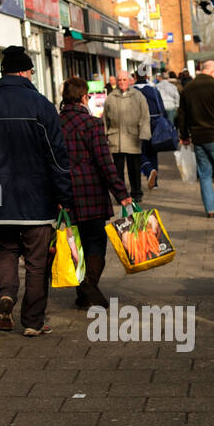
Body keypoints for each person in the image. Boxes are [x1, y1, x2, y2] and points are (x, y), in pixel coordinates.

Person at [0, 46, 72, 337]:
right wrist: (64, 196)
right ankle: (33, 321)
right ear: (24, 71)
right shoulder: (42, 106)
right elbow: (57, 156)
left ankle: (6, 293)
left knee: (7, 249)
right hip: (36, 197)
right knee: (37, 262)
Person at [58, 77, 133, 310]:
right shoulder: (91, 123)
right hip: (90, 190)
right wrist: (121, 192)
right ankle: (88, 284)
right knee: (95, 241)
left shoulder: (54, 124)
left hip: (65, 191)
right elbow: (104, 162)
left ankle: (83, 294)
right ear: (84, 97)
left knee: (75, 242)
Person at [177, 60, 214, 217]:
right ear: (212, 72)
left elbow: (181, 116)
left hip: (198, 138)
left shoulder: (187, 88)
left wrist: (184, 136)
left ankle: (210, 209)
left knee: (205, 174)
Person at [102, 69, 150, 203]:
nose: (122, 82)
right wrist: (103, 136)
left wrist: (144, 135)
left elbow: (145, 117)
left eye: (124, 80)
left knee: (134, 168)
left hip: (133, 137)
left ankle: (136, 192)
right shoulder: (111, 98)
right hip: (115, 139)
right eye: (119, 80)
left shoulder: (138, 96)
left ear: (130, 81)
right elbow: (105, 119)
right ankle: (121, 195)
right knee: (117, 171)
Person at [133, 74, 170, 190]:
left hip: (138, 125)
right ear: (147, 76)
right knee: (153, 153)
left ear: (135, 76)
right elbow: (162, 109)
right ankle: (155, 182)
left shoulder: (132, 91)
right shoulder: (154, 90)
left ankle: (149, 170)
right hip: (154, 125)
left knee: (139, 152)